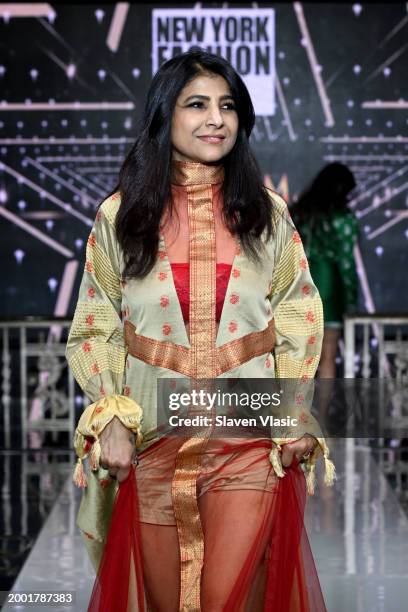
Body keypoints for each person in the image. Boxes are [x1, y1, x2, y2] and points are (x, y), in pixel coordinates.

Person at [66, 50, 336, 611]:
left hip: (248, 439)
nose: (217, 119)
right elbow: (95, 328)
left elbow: (299, 315)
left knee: (227, 599)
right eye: (197, 105)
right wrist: (111, 417)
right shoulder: (122, 216)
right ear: (165, 117)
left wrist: (295, 414)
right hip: (152, 444)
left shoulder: (267, 215)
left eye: (228, 106)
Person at [291, 163, 359, 379]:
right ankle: (324, 413)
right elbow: (346, 262)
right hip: (329, 287)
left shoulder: (297, 213)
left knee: (298, 358)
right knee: (328, 357)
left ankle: (296, 411)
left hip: (299, 285)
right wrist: (350, 298)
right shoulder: (344, 218)